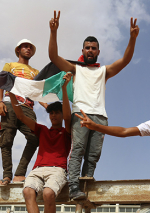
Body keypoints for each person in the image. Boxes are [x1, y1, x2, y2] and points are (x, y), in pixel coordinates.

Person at [48, 10, 140, 200]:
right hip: (80, 114)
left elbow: (125, 61)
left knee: (93, 154)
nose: (90, 50)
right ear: (82, 51)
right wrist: (54, 32)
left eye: (93, 48)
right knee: (78, 149)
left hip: (100, 116)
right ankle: (73, 186)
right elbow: (54, 57)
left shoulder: (103, 71)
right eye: (87, 47)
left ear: (98, 52)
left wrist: (132, 39)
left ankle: (86, 184)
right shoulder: (75, 69)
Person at [10, 73, 72, 213]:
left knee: (48, 193)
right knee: (28, 190)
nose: (54, 115)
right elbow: (20, 115)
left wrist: (63, 89)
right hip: (38, 169)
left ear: (61, 114)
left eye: (57, 112)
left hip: (57, 169)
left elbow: (69, 116)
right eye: (51, 112)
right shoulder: (42, 130)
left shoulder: (67, 131)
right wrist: (12, 93)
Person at [0, 39, 44, 186]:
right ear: (18, 50)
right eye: (25, 46)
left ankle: (20, 173)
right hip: (10, 104)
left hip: (27, 107)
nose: (28, 49)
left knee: (35, 137)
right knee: (6, 140)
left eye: (30, 47)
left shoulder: (36, 72)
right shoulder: (10, 65)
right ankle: (6, 176)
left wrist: (47, 105)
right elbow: (0, 84)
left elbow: (37, 93)